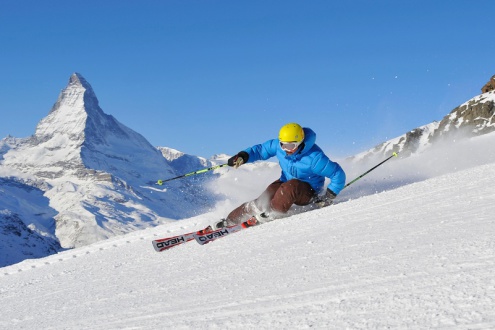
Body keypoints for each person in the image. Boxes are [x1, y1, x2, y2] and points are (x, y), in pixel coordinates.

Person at [214, 122, 346, 229]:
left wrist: (328, 196)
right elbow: (260, 150)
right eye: (283, 145)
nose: (286, 149)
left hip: (308, 191)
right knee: (266, 197)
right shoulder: (279, 147)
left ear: (300, 142)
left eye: (291, 146)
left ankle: (272, 214)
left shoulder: (315, 158)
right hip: (286, 182)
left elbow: (337, 174)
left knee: (290, 187)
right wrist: (243, 156)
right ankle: (230, 221)